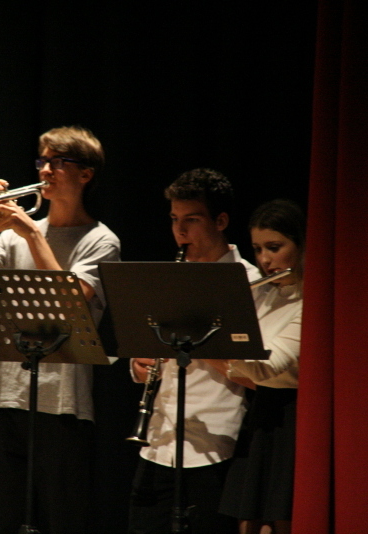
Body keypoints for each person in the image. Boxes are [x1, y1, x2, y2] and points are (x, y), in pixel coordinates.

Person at [0, 126, 120, 534]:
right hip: (4, 397)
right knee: (3, 520)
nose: (45, 171)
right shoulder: (13, 236)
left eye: (58, 162)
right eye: (42, 161)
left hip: (63, 405)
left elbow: (70, 304)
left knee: (62, 519)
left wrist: (29, 232)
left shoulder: (101, 241)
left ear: (85, 174)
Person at [128, 168, 260, 534]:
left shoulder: (249, 283)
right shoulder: (170, 277)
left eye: (192, 220)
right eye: (174, 219)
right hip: (158, 442)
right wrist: (139, 366)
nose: (180, 231)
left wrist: (193, 343)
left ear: (221, 221)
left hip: (214, 447)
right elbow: (145, 351)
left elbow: (258, 375)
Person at [213, 199, 305, 534]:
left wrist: (214, 338)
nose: (264, 260)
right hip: (260, 413)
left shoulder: (311, 300)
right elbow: (239, 370)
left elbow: (269, 366)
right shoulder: (264, 294)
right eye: (257, 249)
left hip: (291, 420)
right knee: (248, 522)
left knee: (279, 523)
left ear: (302, 245)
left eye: (274, 248)